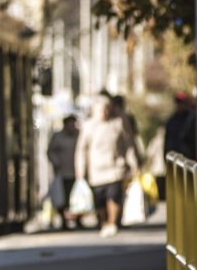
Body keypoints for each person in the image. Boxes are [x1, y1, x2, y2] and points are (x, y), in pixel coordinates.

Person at [75, 95, 140, 238]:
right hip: (96, 170)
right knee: (99, 199)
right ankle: (103, 222)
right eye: (101, 110)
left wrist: (133, 164)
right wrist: (80, 171)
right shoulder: (88, 126)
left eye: (107, 109)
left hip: (116, 168)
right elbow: (81, 150)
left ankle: (112, 222)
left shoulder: (118, 123)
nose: (104, 112)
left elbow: (128, 144)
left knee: (114, 196)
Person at [46, 114, 80, 230]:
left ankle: (78, 220)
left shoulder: (79, 135)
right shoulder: (58, 137)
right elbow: (50, 152)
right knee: (62, 198)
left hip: (77, 172)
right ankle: (64, 220)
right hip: (63, 172)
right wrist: (56, 163)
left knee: (77, 196)